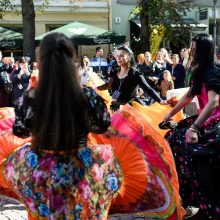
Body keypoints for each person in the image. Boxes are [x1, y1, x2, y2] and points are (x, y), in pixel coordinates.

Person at [163, 33, 220, 219]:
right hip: (205, 122)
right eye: (191, 49)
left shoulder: (213, 70)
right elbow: (189, 95)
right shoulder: (200, 71)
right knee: (172, 139)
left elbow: (214, 102)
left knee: (195, 153)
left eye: (195, 50)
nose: (192, 53)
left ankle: (208, 207)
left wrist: (194, 127)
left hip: (215, 123)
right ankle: (194, 201)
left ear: (204, 51)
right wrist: (169, 114)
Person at [96, 45, 167, 111]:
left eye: (121, 56)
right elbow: (109, 85)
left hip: (130, 111)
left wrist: (161, 100)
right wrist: (96, 88)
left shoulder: (135, 73)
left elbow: (148, 89)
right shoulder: (115, 71)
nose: (118, 58)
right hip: (115, 108)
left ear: (129, 57)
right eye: (117, 56)